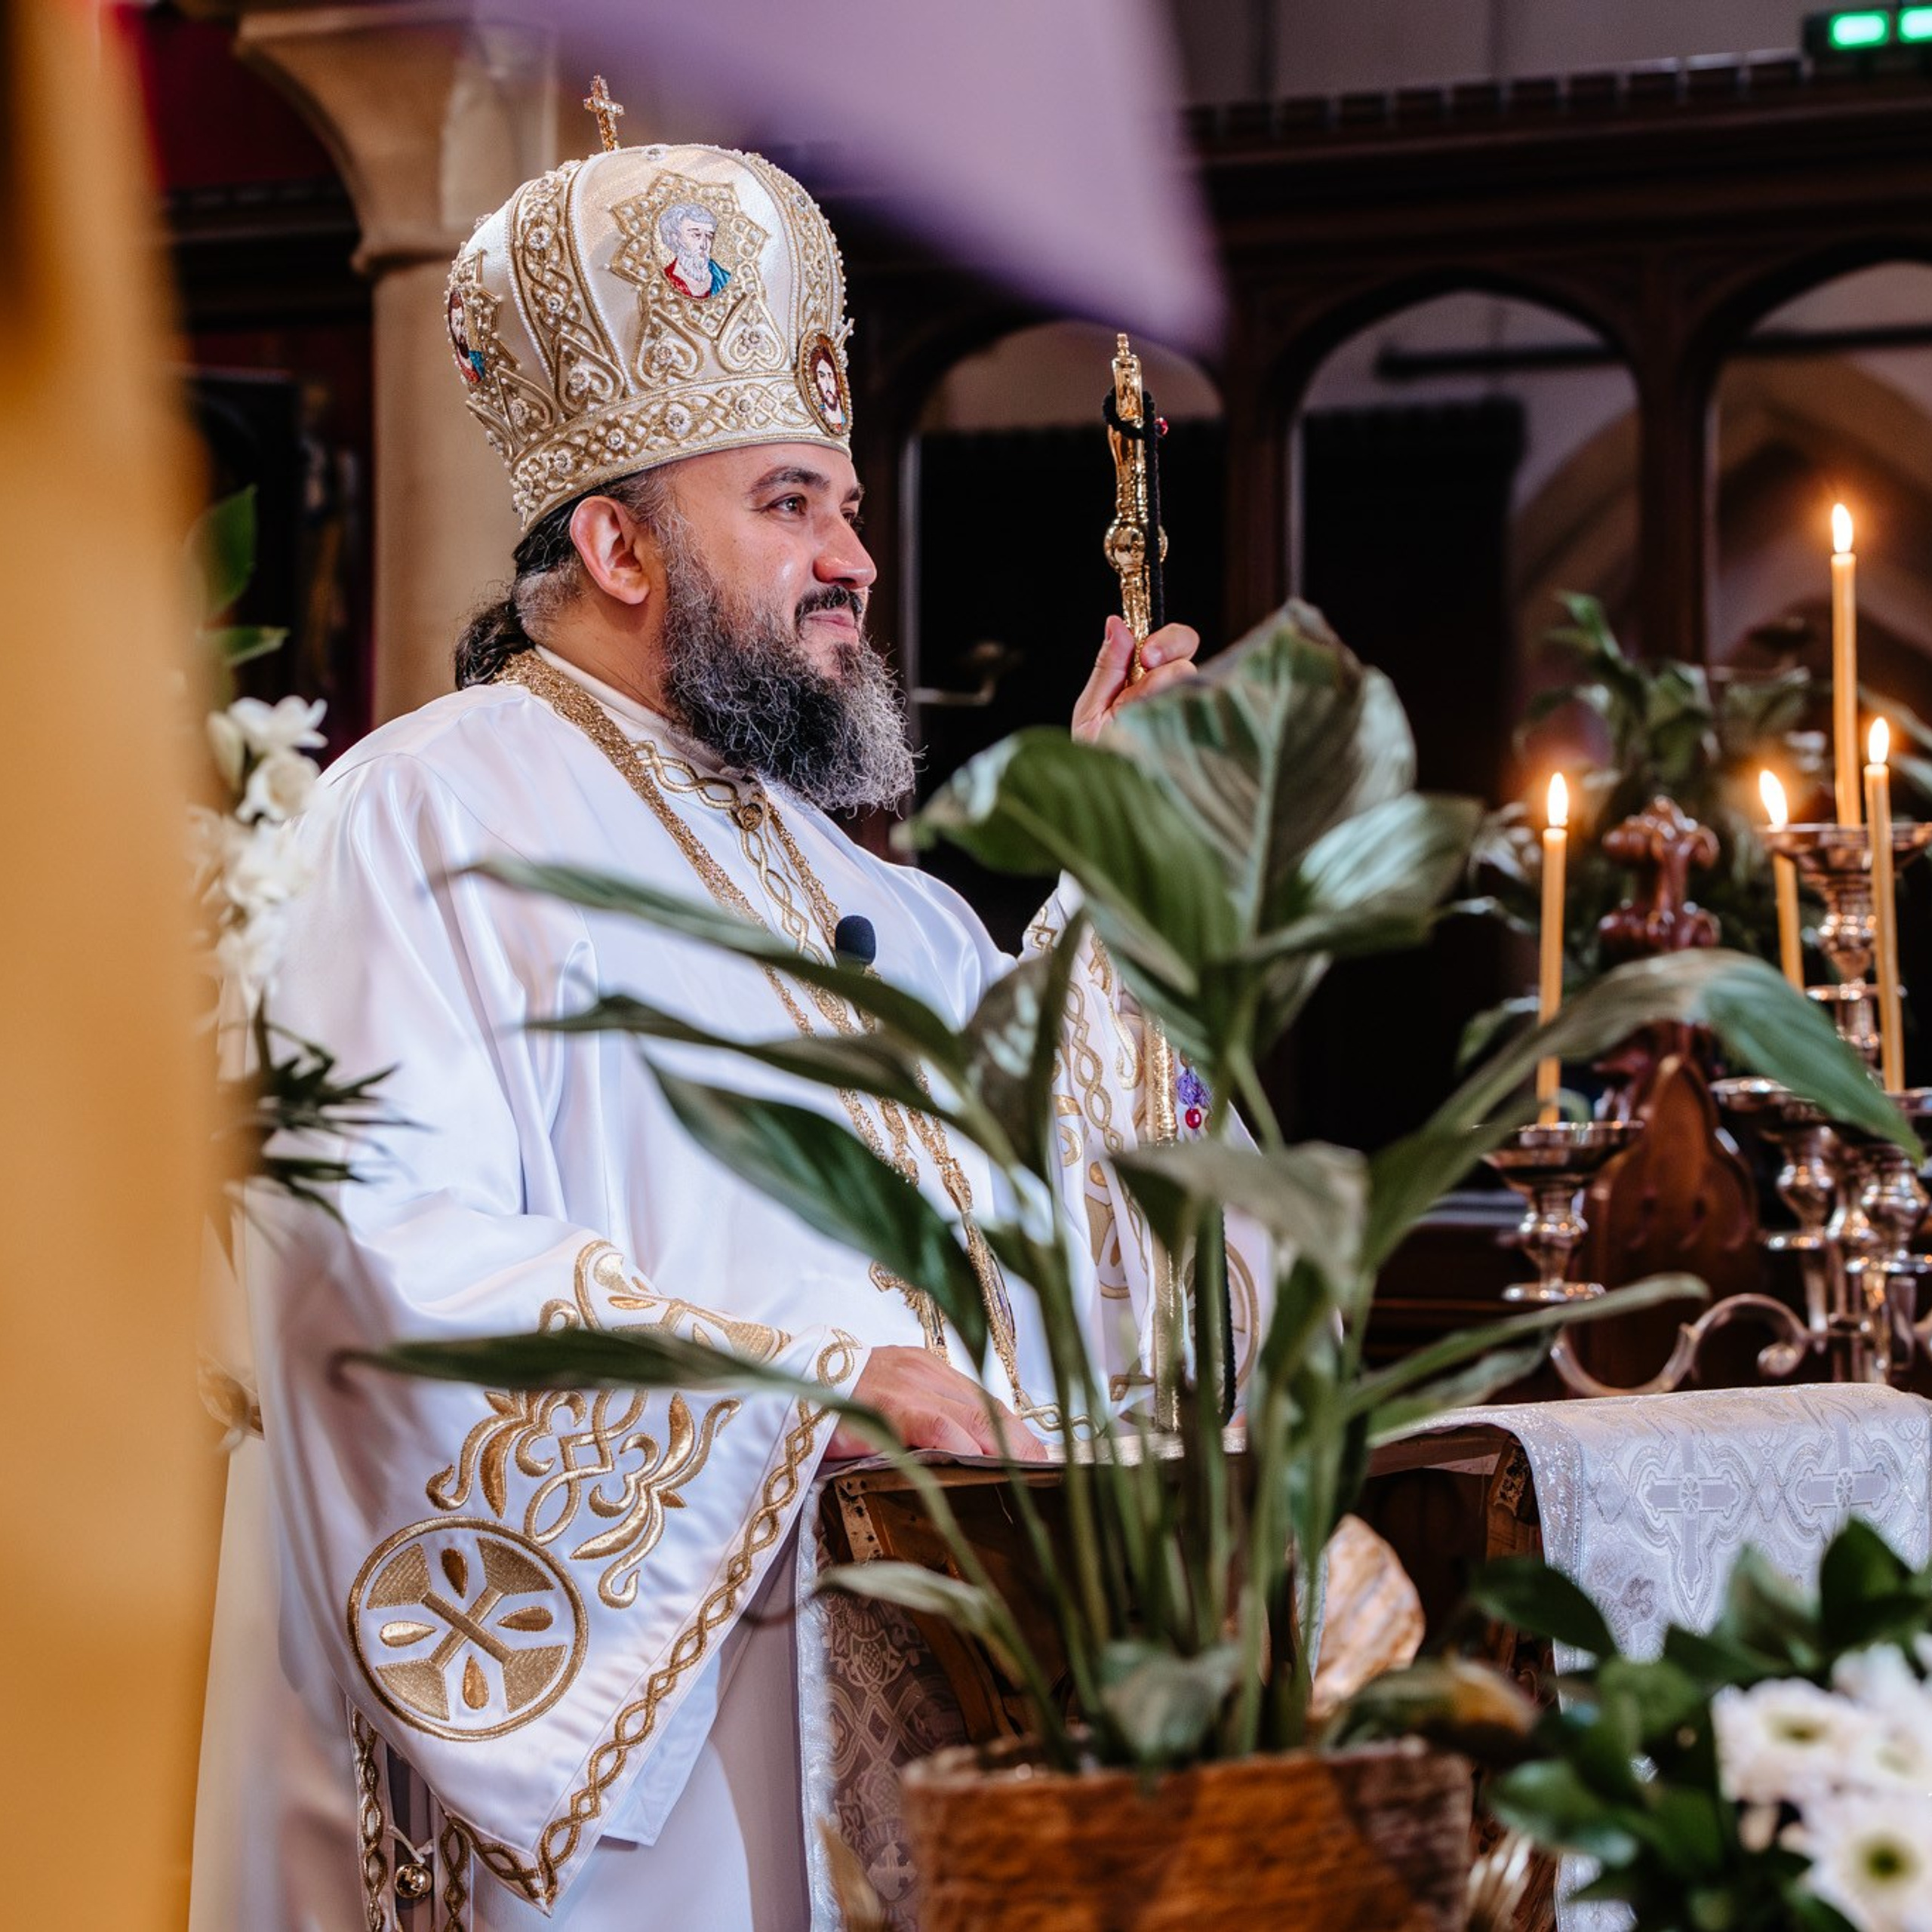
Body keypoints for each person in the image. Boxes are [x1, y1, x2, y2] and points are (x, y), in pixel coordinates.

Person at [191, 133, 1241, 1932]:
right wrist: (800, 1381)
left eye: (841, 505)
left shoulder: (879, 896)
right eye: (787, 507)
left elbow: (1066, 1222)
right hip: (615, 1792)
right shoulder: (409, 823)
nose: (853, 560)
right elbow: (361, 1255)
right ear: (613, 544)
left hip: (895, 1724)